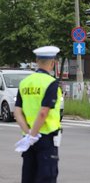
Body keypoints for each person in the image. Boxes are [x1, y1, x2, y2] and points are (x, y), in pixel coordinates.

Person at [14, 46, 63, 183]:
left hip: (28, 140)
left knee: (29, 176)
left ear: (36, 60)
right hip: (45, 138)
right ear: (53, 62)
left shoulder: (25, 83)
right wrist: (34, 134)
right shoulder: (51, 83)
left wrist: (28, 134)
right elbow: (43, 112)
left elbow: (17, 111)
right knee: (46, 177)